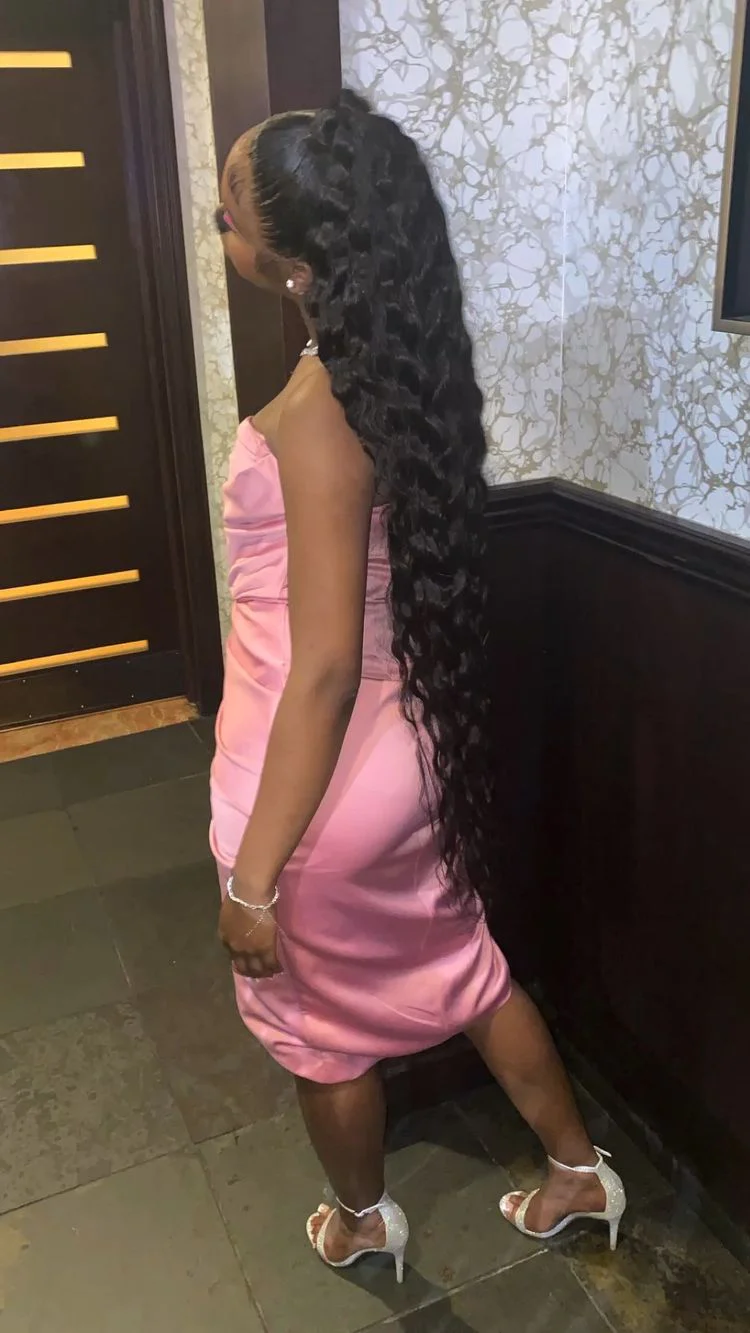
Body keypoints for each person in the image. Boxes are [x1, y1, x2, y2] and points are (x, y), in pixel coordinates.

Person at [210, 89, 625, 1281]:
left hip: (314, 781)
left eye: (230, 215)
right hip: (398, 756)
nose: (218, 228)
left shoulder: (315, 415)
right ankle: (581, 1171)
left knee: (322, 1035)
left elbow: (324, 668)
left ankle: (360, 1219)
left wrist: (253, 877)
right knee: (466, 967)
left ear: (294, 263)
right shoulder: (388, 377)